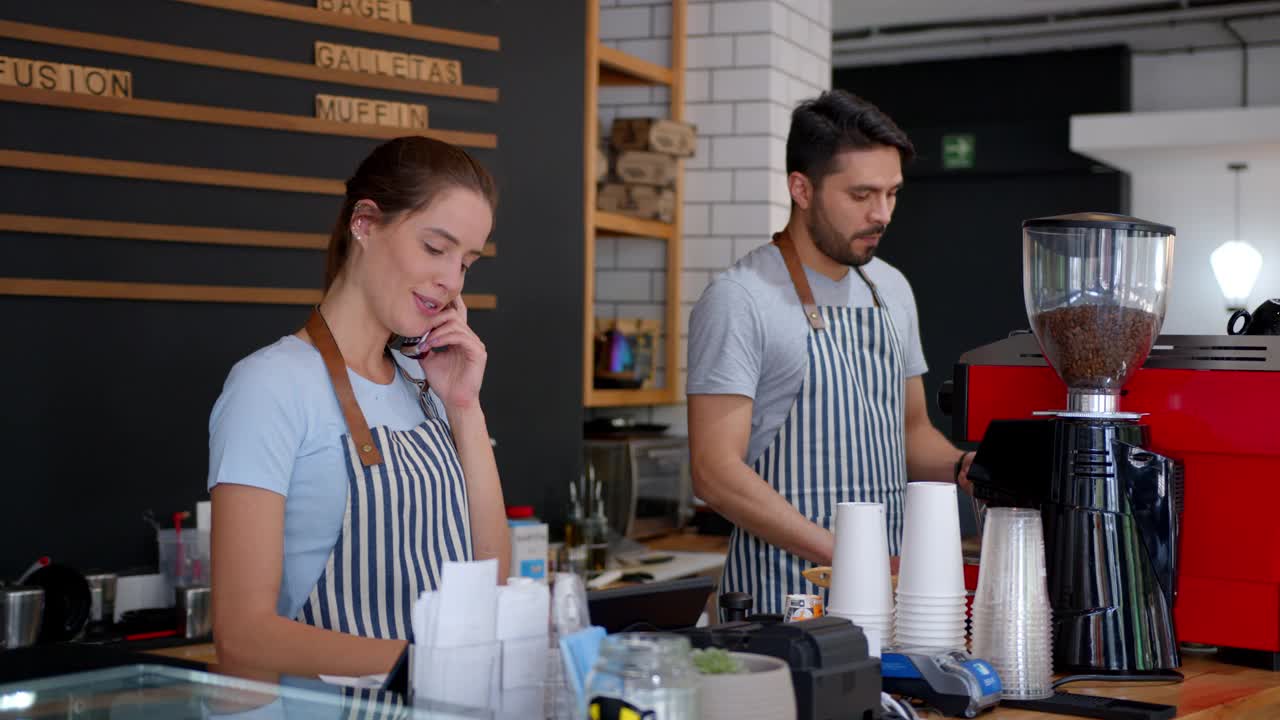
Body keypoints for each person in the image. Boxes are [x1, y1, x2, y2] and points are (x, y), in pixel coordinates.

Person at [208, 136, 509, 676]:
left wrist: (466, 409)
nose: (451, 281)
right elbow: (242, 636)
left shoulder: (432, 385)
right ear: (365, 223)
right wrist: (427, 668)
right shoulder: (269, 386)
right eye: (435, 248)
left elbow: (491, 592)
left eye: (466, 262)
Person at [686, 90, 974, 616]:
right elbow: (714, 471)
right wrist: (849, 556)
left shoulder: (891, 290)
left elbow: (910, 432)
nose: (881, 214)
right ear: (802, 188)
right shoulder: (741, 298)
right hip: (782, 604)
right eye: (861, 194)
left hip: (887, 593)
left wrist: (963, 465)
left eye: (892, 194)